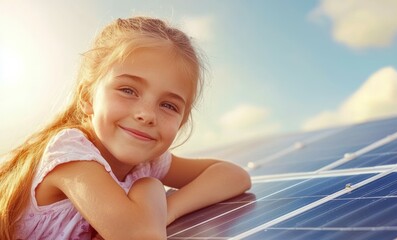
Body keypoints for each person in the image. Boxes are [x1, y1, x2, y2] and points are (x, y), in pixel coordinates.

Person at [0, 16, 251, 240]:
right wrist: (150, 188)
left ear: (182, 121)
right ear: (87, 98)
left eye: (168, 105)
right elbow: (140, 235)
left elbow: (234, 176)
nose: (146, 115)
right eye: (128, 90)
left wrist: (170, 208)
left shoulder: (149, 162)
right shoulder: (70, 155)